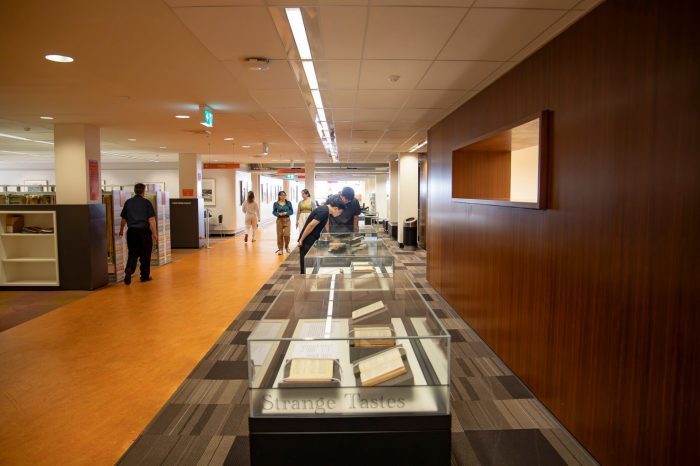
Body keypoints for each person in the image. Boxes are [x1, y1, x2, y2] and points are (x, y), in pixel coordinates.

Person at [118, 183, 157, 285]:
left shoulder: (128, 202)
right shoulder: (147, 203)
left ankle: (129, 269)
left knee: (133, 253)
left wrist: (121, 230)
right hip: (144, 232)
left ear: (135, 191)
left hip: (132, 232)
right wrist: (154, 233)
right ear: (143, 191)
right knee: (145, 254)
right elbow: (152, 219)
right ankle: (144, 276)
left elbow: (124, 219)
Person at [297, 195, 346, 274]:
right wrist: (301, 240)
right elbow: (310, 225)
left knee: (311, 262)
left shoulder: (326, 210)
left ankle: (310, 278)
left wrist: (328, 233)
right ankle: (304, 281)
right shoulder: (323, 211)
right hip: (308, 238)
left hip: (313, 237)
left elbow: (325, 222)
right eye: (340, 212)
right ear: (336, 208)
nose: (339, 214)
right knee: (306, 264)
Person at [272, 190, 294, 255]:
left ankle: (287, 247)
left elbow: (292, 211)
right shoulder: (276, 204)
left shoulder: (288, 203)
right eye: (282, 195)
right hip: (279, 220)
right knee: (279, 235)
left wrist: (286, 213)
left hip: (287, 220)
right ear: (279, 196)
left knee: (287, 235)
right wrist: (278, 214)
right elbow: (274, 212)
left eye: (284, 195)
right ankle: (280, 249)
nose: (283, 196)